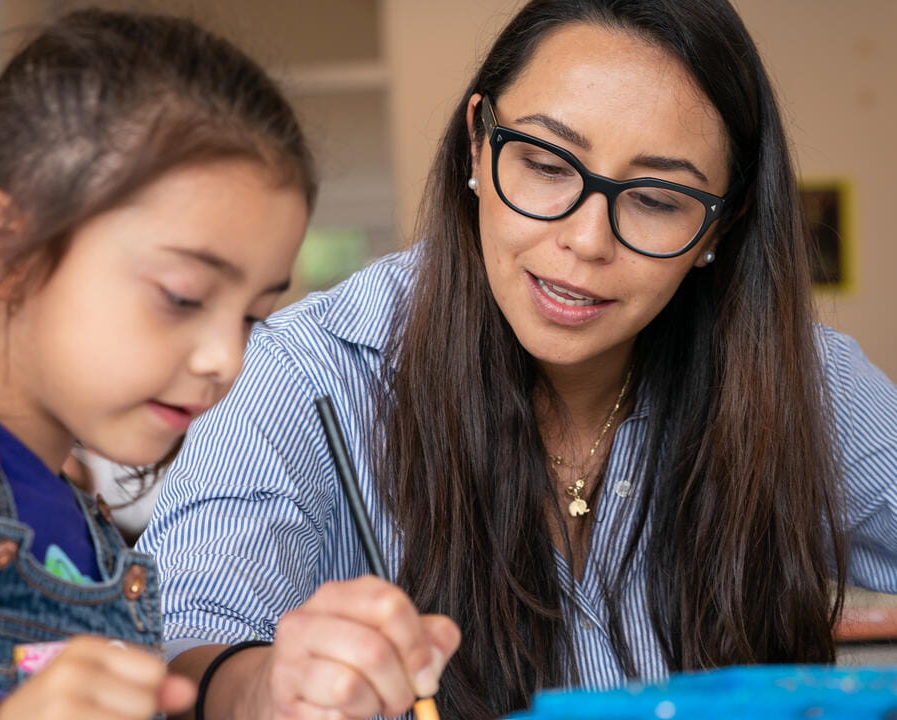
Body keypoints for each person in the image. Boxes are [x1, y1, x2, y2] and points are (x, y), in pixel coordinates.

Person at [138, 0, 897, 719]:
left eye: (658, 199)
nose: (586, 241)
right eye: (546, 163)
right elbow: (187, 656)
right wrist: (271, 685)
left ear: (718, 230)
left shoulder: (803, 381)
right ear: (477, 141)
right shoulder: (305, 375)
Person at [0, 8, 324, 719]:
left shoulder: (79, 519)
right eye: (183, 297)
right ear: (11, 241)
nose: (225, 359)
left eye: (252, 317)